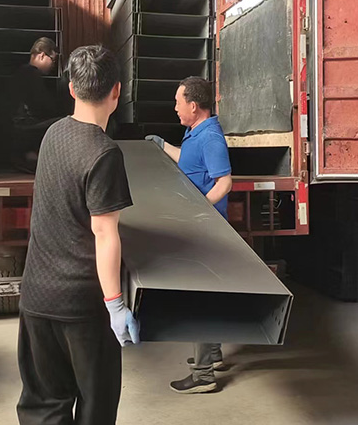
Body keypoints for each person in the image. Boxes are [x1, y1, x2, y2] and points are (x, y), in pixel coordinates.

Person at [17, 44, 140, 425]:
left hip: (36, 298)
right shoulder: (104, 153)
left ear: (71, 88)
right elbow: (104, 233)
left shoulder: (53, 134)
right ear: (117, 91)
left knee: (44, 406)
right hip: (81, 308)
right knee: (95, 405)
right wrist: (115, 305)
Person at [146, 76, 232, 395]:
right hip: (200, 227)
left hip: (207, 230)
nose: (175, 107)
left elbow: (224, 182)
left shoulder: (211, 138)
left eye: (178, 102)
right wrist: (162, 146)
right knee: (207, 294)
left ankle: (204, 375)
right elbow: (189, 160)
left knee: (200, 298)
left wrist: (201, 210)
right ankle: (213, 354)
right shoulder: (196, 132)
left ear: (193, 106)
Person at [9, 37, 63, 173]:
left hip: (18, 127)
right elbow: (43, 105)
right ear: (42, 55)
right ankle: (33, 157)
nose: (53, 65)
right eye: (53, 60)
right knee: (63, 123)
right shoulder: (31, 74)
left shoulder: (22, 72)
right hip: (24, 127)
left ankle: (29, 156)